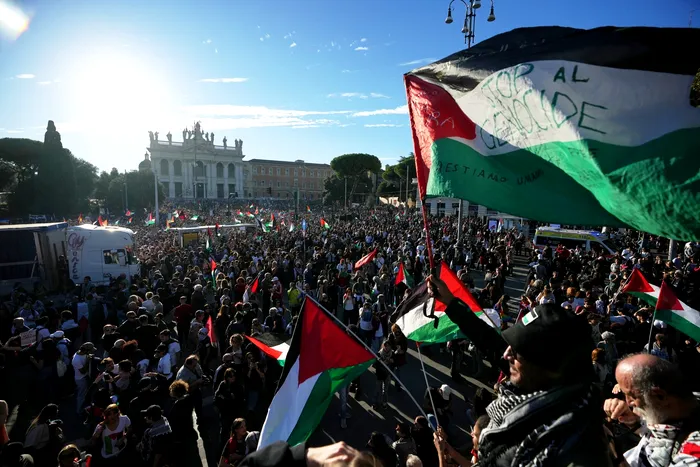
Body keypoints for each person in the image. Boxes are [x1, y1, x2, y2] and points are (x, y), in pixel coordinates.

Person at [427, 274, 612, 466]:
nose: (507, 355)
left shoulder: (573, 451)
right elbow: (488, 340)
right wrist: (450, 302)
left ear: (547, 364)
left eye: (518, 351)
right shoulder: (538, 383)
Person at [603, 353, 700, 466]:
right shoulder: (670, 412)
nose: (628, 403)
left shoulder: (694, 452)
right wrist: (634, 422)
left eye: (632, 396)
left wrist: (613, 453)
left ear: (660, 396)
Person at [72, 342, 96, 415]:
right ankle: (79, 410)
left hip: (85, 377)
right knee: (81, 395)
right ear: (86, 350)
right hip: (81, 379)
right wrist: (88, 361)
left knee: (86, 393)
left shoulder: (83, 353)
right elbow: (82, 371)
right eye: (90, 350)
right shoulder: (76, 359)